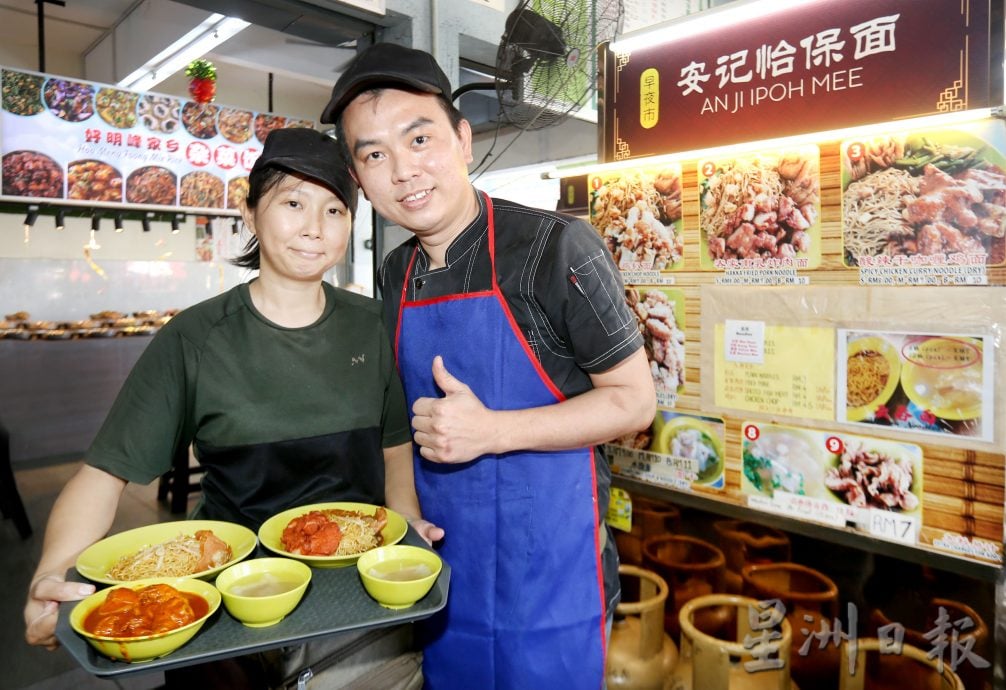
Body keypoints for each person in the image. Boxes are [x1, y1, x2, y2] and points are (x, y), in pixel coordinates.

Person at [23, 127, 436, 687]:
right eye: (292, 203)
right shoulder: (194, 338)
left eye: (334, 210)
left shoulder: (375, 326)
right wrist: (51, 575)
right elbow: (104, 473)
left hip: (353, 594)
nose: (314, 228)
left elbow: (393, 449)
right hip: (225, 594)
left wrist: (405, 523)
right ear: (249, 211)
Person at [321, 43, 656, 688]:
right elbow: (399, 418)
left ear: (463, 139)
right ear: (360, 180)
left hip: (552, 570)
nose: (403, 171)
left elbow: (634, 401)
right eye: (374, 154)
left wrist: (493, 431)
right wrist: (405, 512)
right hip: (446, 565)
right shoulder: (395, 274)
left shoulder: (557, 247)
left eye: (419, 138)